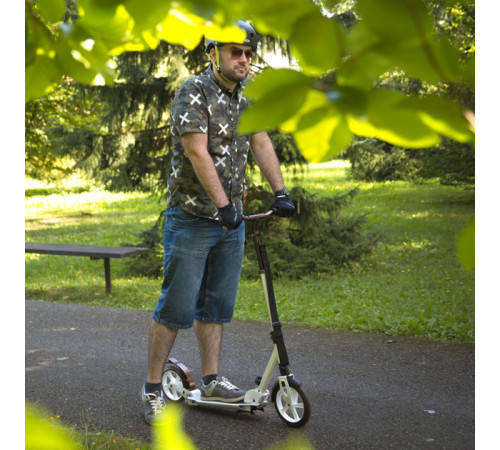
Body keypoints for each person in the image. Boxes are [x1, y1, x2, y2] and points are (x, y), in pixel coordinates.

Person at [141, 20, 295, 425]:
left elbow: (260, 140)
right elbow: (196, 152)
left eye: (248, 53)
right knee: (175, 307)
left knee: (216, 306)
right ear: (214, 54)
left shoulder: (249, 96)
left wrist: (280, 191)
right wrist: (224, 204)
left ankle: (210, 381)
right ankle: (153, 388)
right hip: (192, 218)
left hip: (231, 222)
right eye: (234, 52)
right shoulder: (194, 91)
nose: (243, 59)